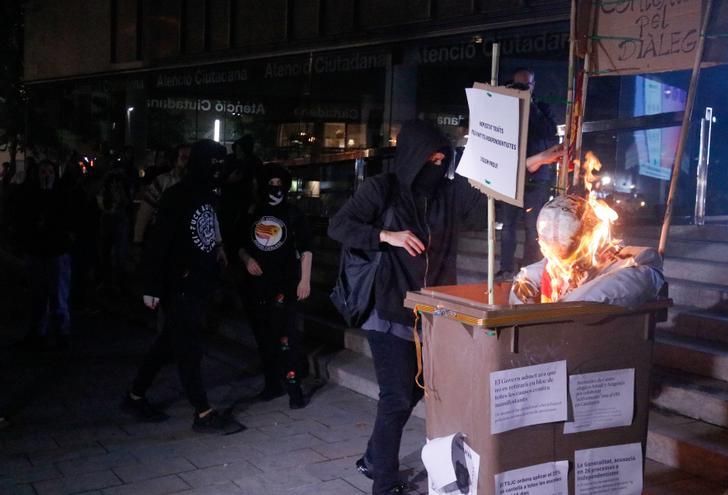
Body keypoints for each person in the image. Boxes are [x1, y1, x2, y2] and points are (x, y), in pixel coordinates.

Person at [328, 120, 484, 495]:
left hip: (432, 315)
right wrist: (386, 236)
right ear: (413, 155)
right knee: (397, 396)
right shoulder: (383, 188)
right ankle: (383, 483)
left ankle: (372, 458)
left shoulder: (447, 193)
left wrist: (527, 165)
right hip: (388, 309)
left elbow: (481, 209)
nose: (436, 163)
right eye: (429, 156)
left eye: (442, 157)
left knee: (415, 391)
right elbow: (339, 225)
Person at [121, 139, 244, 435]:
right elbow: (159, 241)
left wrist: (218, 249)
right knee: (188, 347)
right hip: (179, 284)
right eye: (212, 164)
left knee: (168, 343)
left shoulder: (208, 194)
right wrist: (150, 286)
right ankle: (202, 412)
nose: (217, 169)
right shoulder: (177, 195)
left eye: (220, 164)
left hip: (197, 281)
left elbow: (208, 228)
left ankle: (135, 396)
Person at [237, 164, 313, 408]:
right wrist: (247, 260)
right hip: (258, 286)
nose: (275, 190)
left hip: (286, 283)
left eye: (280, 185)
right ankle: (272, 383)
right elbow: (238, 243)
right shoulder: (252, 212)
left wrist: (305, 279)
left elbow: (306, 248)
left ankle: (294, 389)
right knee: (264, 337)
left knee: (287, 337)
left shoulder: (293, 213)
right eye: (271, 184)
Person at [497, 67, 560, 280]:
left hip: (537, 177)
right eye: (519, 85)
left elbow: (550, 133)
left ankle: (530, 268)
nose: (524, 89)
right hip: (511, 176)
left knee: (534, 227)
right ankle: (506, 268)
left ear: (533, 86)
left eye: (527, 85)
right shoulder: (506, 109)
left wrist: (530, 105)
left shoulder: (541, 108)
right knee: (508, 226)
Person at [13, 160, 75, 350]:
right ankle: (39, 332)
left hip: (55, 251)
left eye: (48, 171)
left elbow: (67, 220)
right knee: (38, 295)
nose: (45, 175)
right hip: (38, 251)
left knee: (57, 295)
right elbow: (23, 218)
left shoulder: (61, 195)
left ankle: (61, 332)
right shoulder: (31, 194)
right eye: (42, 171)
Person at [133, 143, 190, 244]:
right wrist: (138, 239)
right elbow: (145, 212)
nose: (188, 161)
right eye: (184, 157)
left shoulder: (196, 183)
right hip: (164, 237)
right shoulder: (162, 182)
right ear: (175, 160)